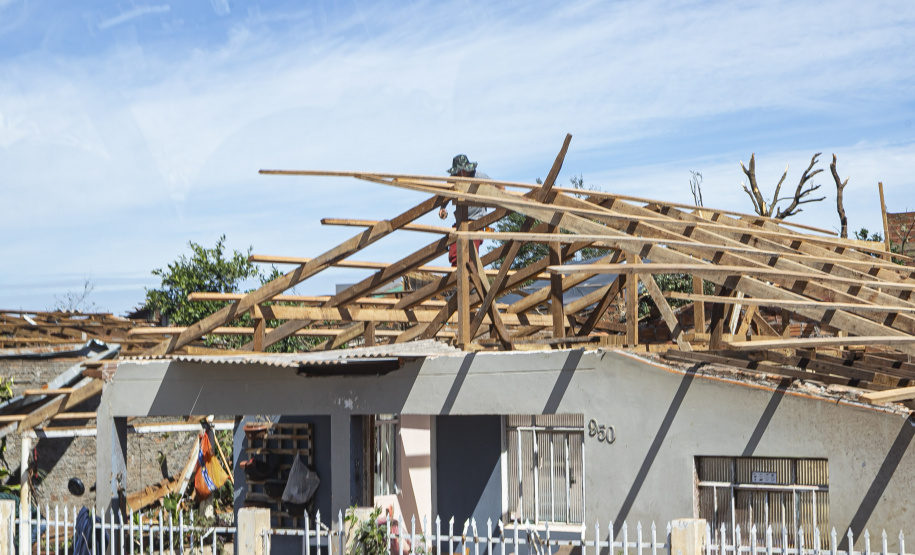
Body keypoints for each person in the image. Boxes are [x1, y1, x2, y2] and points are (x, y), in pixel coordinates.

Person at [439, 154, 498, 266]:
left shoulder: (479, 177)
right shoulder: (454, 178)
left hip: (476, 221)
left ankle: (468, 279)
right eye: (457, 172)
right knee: (454, 253)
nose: (459, 174)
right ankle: (457, 279)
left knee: (470, 256)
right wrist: (442, 208)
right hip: (461, 221)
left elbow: (500, 187)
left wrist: (502, 202)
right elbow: (445, 194)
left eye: (461, 171)